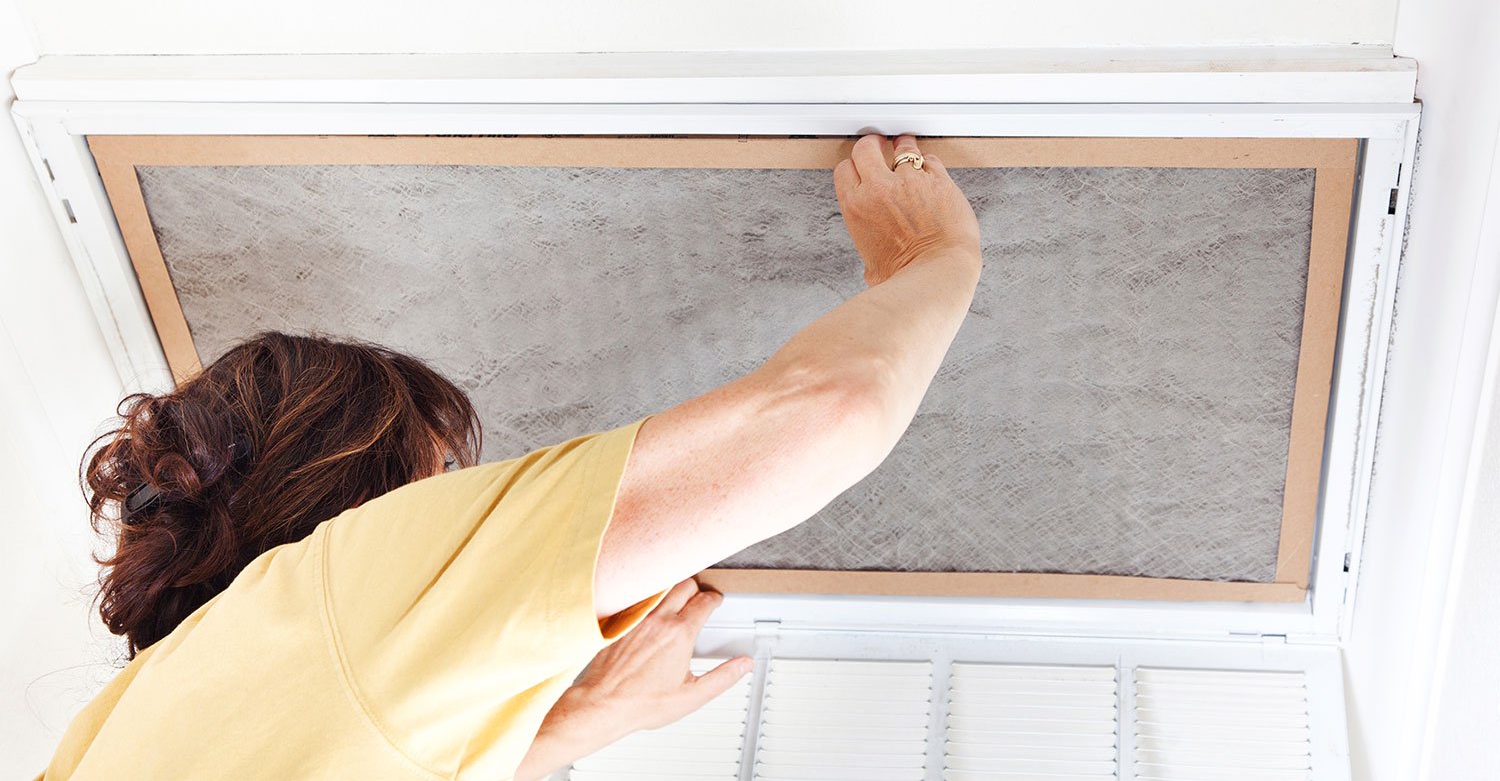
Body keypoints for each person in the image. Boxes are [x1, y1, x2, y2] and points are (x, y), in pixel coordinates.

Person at [39, 133, 982, 780]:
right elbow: (828, 410)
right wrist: (936, 256)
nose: (456, 508)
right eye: (442, 482)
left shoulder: (119, 736)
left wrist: (573, 722)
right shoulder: (343, 591)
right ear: (356, 496)